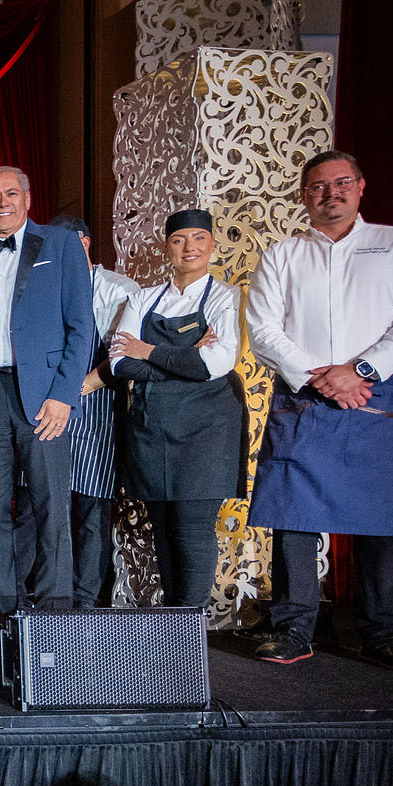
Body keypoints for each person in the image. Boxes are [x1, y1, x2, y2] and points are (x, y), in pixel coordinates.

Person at [246, 150, 393, 669]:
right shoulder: (283, 253)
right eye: (317, 187)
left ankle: (382, 632)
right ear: (303, 196)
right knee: (293, 515)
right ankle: (294, 629)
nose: (329, 194)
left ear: (361, 186)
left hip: (374, 393)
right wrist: (321, 375)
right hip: (303, 395)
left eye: (340, 184)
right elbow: (264, 328)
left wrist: (361, 371)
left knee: (380, 516)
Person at [0, 166, 94, 613]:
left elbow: (82, 326)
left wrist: (63, 395)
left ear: (28, 199)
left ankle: (55, 611)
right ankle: (4, 610)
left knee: (51, 503)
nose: (3, 203)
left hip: (43, 395)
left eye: (11, 193)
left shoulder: (61, 244)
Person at [107, 209, 246, 611]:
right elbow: (119, 364)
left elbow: (216, 365)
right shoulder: (143, 297)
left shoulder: (225, 295)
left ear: (211, 245)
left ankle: (192, 618)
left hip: (208, 427)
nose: (190, 247)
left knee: (192, 525)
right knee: (163, 529)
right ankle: (174, 621)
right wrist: (186, 357)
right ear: (167, 247)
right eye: (180, 239)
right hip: (152, 425)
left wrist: (148, 351)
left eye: (199, 239)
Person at [51, 212, 139, 608]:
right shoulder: (45, 287)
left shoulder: (119, 289)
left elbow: (122, 354)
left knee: (91, 510)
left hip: (99, 404)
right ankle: (51, 594)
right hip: (50, 407)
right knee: (46, 505)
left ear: (85, 243)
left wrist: (80, 386)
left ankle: (86, 600)